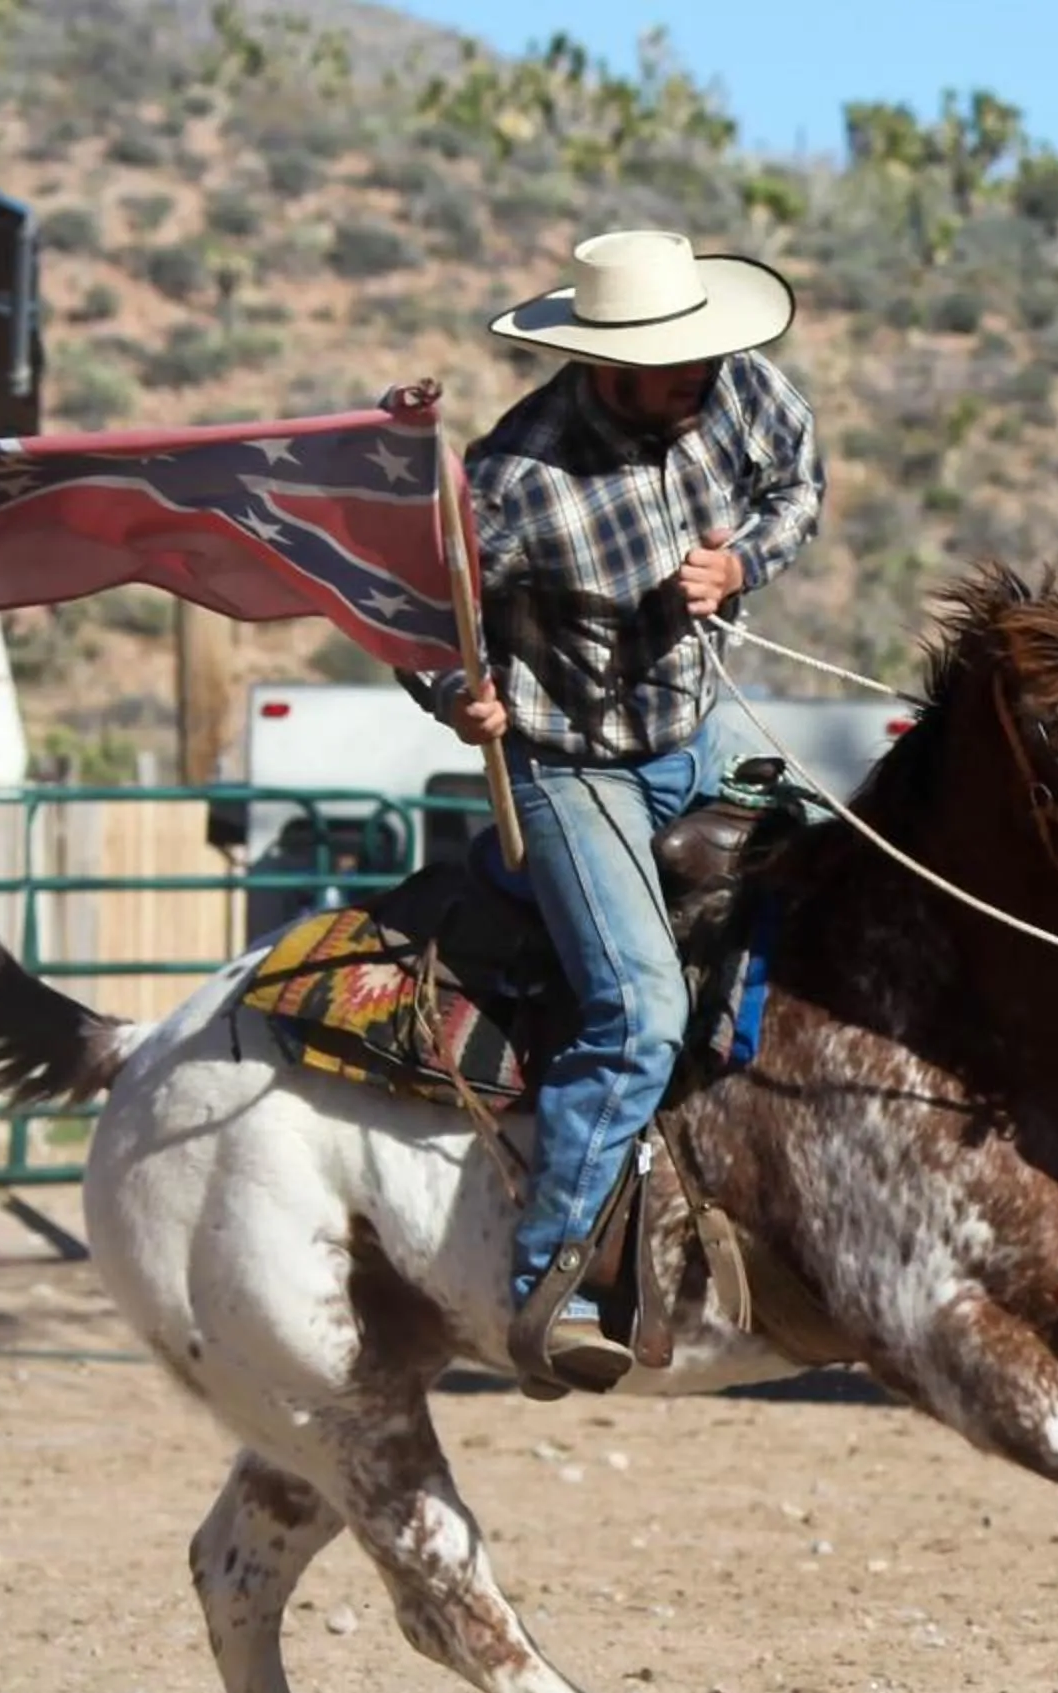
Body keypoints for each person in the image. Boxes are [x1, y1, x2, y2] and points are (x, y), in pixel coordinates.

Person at [408, 229, 825, 1395]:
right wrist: (458, 692)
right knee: (636, 1004)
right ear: (602, 365)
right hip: (568, 760)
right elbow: (418, 612)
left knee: (841, 879)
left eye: (701, 356)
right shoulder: (516, 478)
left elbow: (799, 488)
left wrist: (742, 564)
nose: (697, 380)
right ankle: (553, 1278)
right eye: (669, 367)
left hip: (700, 726)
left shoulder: (743, 384)